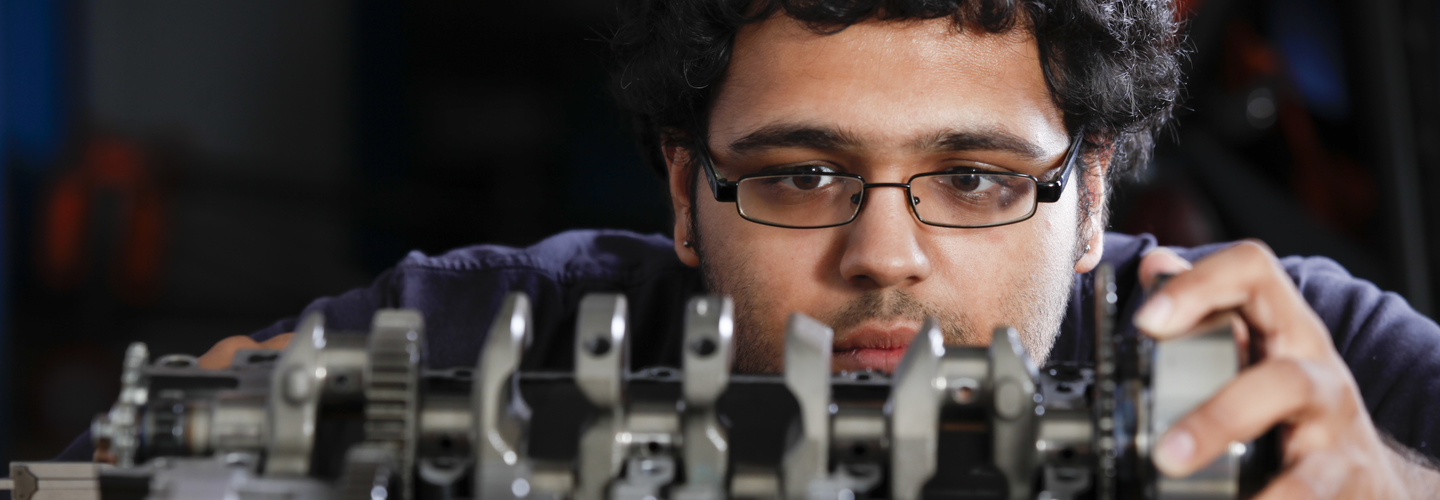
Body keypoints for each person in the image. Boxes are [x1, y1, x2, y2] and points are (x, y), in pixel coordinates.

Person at [62, 0, 1440, 496]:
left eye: (971, 176)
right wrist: (192, 467)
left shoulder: (1286, 357)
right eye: (803, 174)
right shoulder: (498, 337)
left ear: (1090, 203)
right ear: (683, 189)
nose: (883, 255)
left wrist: (1395, 485)